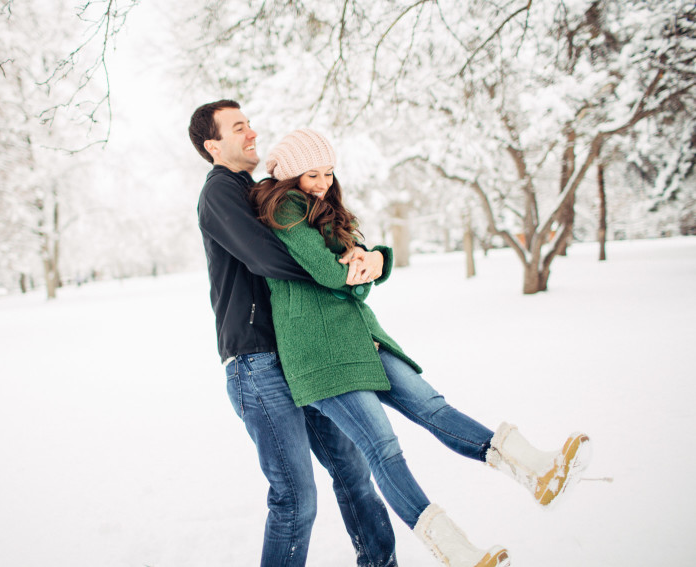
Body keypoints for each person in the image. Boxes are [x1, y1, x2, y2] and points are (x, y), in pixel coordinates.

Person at [252, 128, 593, 567]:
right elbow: (331, 274)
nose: (321, 182)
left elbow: (357, 287)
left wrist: (372, 259)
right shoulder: (284, 207)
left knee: (434, 408)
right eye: (312, 174)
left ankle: (537, 471)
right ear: (290, 175)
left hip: (361, 338)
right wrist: (363, 262)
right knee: (383, 448)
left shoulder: (323, 210)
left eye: (329, 173)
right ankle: (454, 551)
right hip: (320, 354)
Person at [188, 100, 399, 567]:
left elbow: (323, 228)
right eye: (238, 127)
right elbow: (267, 257)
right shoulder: (221, 193)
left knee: (352, 472)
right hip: (256, 362)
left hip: (301, 354)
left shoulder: (261, 190)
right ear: (213, 145)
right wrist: (336, 273)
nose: (252, 132)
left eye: (250, 123)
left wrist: (366, 257)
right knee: (295, 498)